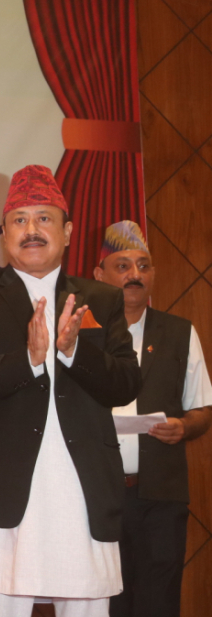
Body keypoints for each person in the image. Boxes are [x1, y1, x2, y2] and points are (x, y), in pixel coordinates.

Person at [0, 165, 141, 617]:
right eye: (19, 220)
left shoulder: (101, 298)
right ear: (4, 234)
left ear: (67, 232)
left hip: (82, 490)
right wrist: (29, 360)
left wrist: (73, 352)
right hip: (4, 490)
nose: (31, 230)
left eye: (44, 218)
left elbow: (127, 383)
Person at [92, 221, 212, 617]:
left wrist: (184, 427)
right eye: (123, 265)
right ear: (99, 275)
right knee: (104, 603)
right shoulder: (83, 336)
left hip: (160, 498)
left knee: (157, 603)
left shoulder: (179, 333)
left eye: (143, 266)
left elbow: (203, 409)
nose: (135, 274)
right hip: (98, 496)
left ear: (153, 275)